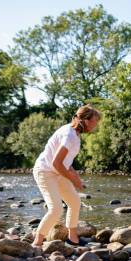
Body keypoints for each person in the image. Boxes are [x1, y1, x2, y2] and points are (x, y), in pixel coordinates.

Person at [31, 105, 101, 247]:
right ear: (85, 120)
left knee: (74, 201)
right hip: (45, 171)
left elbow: (66, 163)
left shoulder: (75, 134)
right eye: (94, 122)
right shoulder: (69, 135)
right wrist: (72, 179)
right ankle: (37, 243)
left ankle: (73, 238)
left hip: (57, 171)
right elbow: (56, 163)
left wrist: (76, 177)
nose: (95, 125)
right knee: (56, 209)